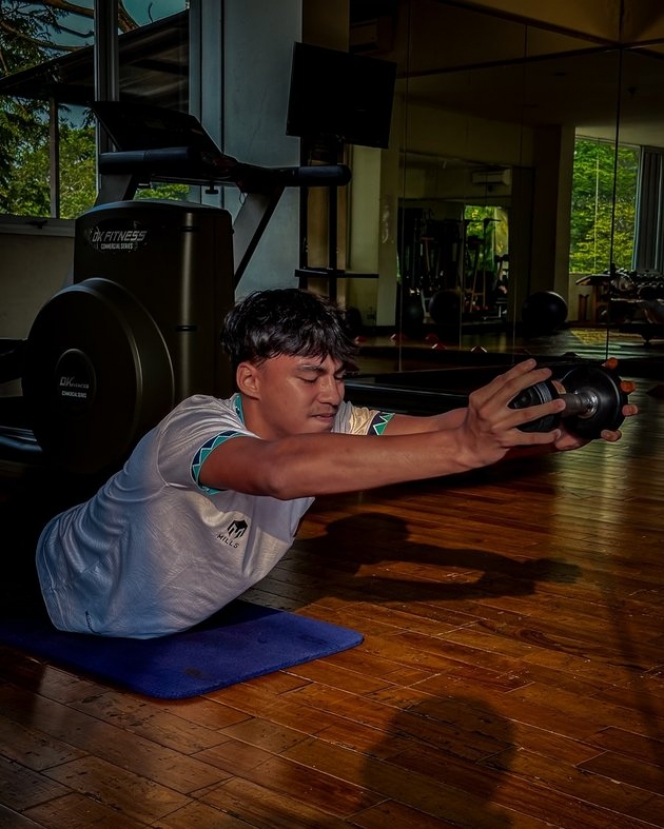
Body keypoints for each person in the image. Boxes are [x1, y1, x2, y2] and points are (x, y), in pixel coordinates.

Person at [34, 288, 637, 639]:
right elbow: (275, 471)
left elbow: (436, 429)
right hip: (61, 586)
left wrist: (542, 422)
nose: (331, 392)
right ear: (250, 377)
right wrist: (463, 447)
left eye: (337, 375)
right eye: (310, 375)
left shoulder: (331, 418)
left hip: (158, 624)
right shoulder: (193, 428)